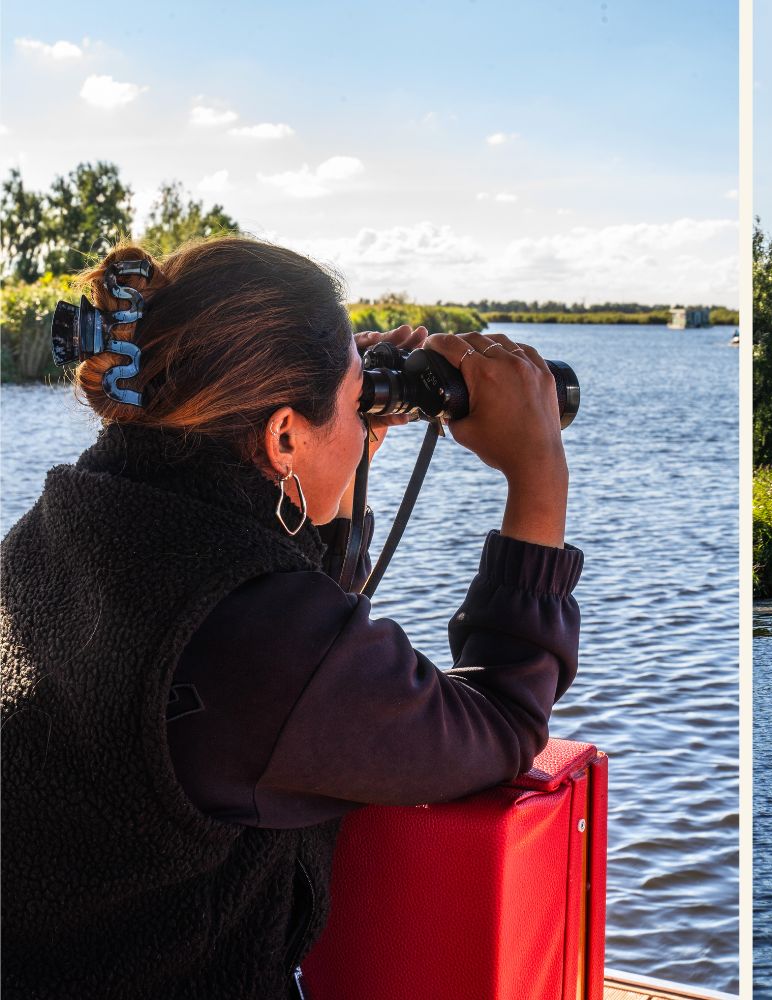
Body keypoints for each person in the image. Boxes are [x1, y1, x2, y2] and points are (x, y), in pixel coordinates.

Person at [0, 237, 582, 999]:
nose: (363, 410)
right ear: (281, 435)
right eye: (352, 399)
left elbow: (261, 597)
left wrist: (339, 441)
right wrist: (538, 474)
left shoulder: (57, 530)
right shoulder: (258, 635)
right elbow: (503, 724)